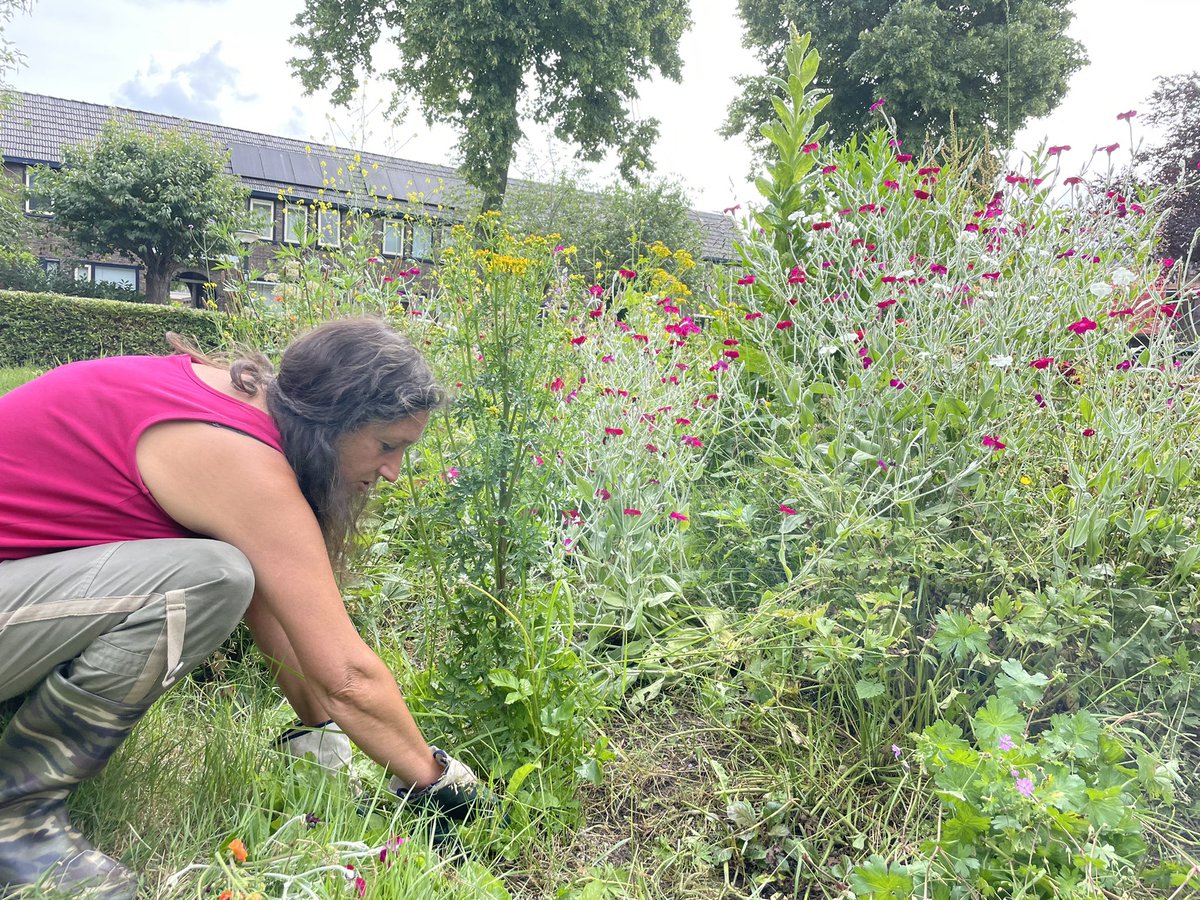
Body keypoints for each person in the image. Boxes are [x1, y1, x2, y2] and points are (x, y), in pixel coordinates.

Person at [0, 317, 479, 898]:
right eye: (386, 446)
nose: (392, 472)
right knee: (210, 577)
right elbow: (347, 675)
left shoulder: (232, 402)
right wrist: (439, 783)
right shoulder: (237, 456)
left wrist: (318, 733)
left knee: (227, 573)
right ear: (331, 425)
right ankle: (15, 814)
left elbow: (276, 609)